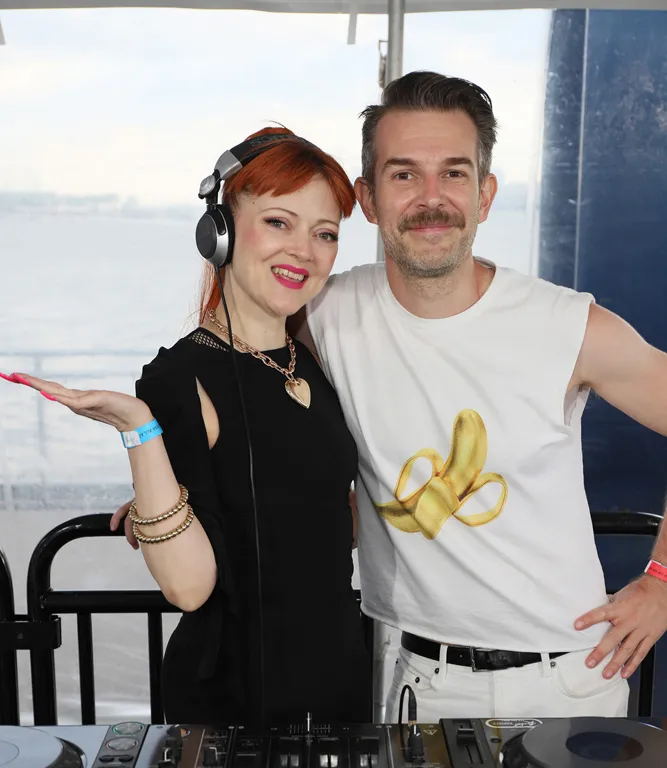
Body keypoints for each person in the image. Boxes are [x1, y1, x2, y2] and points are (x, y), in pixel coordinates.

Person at [291, 71, 667, 722]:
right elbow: (236, 365)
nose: (431, 198)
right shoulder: (326, 314)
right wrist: (181, 484)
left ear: (485, 194)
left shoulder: (567, 326)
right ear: (368, 197)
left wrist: (661, 583)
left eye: (454, 173)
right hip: (411, 679)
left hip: (564, 681)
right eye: (404, 174)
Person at [0, 127, 372, 727]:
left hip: (339, 681)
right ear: (219, 233)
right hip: (233, 701)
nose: (304, 250)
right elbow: (190, 588)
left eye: (324, 233)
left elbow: (325, 520)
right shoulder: (179, 378)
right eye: (278, 222)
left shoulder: (313, 358)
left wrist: (178, 507)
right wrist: (140, 431)